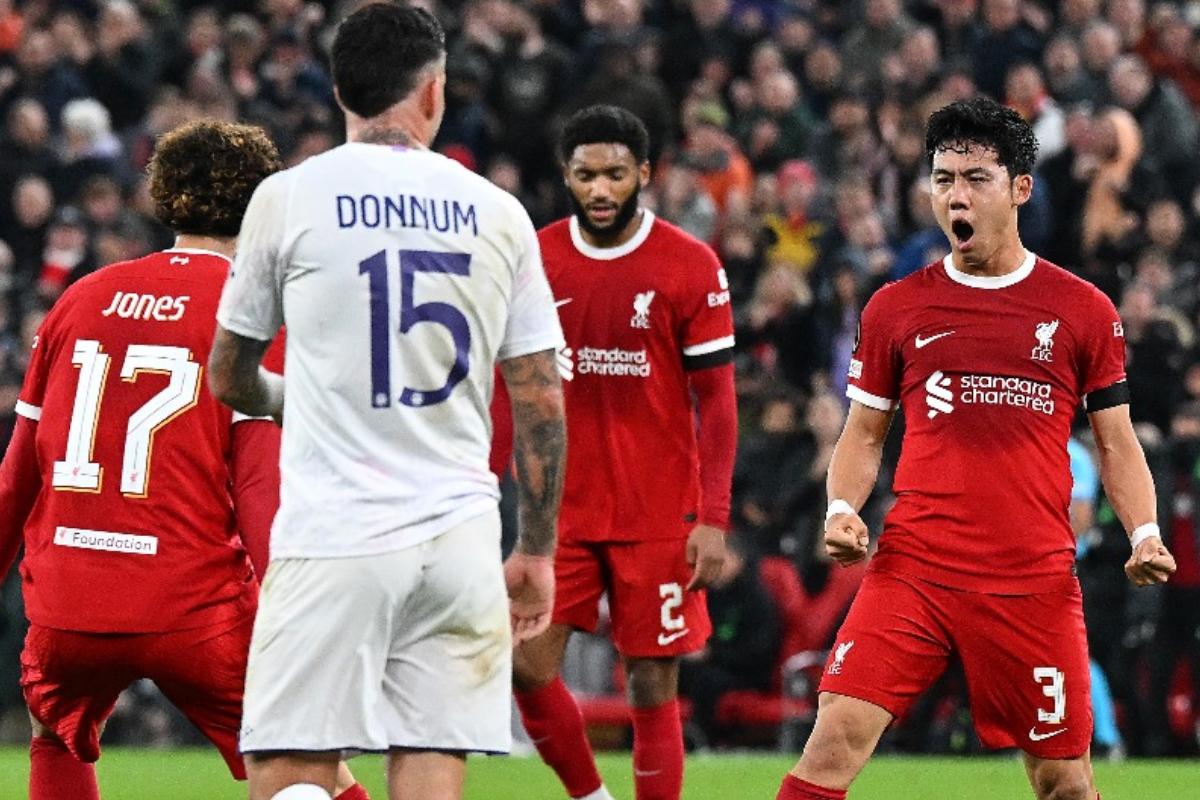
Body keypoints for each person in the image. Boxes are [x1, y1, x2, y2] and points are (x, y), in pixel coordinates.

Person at [207, 5, 566, 800]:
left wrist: (288, 398)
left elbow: (228, 373)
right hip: (461, 539)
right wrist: (535, 549)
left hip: (338, 531)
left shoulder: (289, 197)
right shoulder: (501, 214)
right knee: (430, 763)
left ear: (338, 87)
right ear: (434, 92)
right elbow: (540, 398)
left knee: (290, 766)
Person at [775, 96, 1177, 800]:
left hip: (1033, 579)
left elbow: (1116, 445)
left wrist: (1144, 531)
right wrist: (842, 506)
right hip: (917, 567)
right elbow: (863, 432)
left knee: (1065, 784)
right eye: (942, 179)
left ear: (1020, 188)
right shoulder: (896, 308)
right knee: (834, 735)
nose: (955, 195)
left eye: (975, 178)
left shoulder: (1082, 309)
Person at [0, 121, 366, 800]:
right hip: (192, 607)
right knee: (305, 770)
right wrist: (299, 615)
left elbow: (19, 471)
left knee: (54, 728)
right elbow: (260, 487)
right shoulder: (256, 316)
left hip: (69, 600)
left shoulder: (80, 298)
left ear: (164, 198)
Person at [512, 105, 738, 800]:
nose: (601, 190)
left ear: (644, 174)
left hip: (657, 509)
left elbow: (720, 402)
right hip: (563, 513)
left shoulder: (688, 263)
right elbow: (512, 386)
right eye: (586, 175)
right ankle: (591, 796)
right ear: (566, 176)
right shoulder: (537, 258)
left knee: (651, 677)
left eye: (615, 174)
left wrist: (713, 516)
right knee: (526, 665)